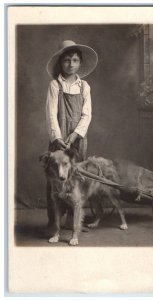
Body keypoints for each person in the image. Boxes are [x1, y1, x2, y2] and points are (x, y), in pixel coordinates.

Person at [45, 40, 98, 228]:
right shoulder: (55, 86)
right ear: (61, 62)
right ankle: (56, 222)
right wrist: (58, 139)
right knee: (57, 176)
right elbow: (51, 115)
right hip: (59, 139)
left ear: (80, 63)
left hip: (77, 139)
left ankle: (74, 219)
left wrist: (75, 135)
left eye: (75, 60)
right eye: (67, 60)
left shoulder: (84, 87)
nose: (71, 64)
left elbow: (87, 114)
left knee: (76, 176)